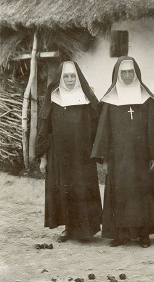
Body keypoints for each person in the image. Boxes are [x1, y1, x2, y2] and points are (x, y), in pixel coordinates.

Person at [91, 57, 154, 248]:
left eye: (130, 72)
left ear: (136, 73)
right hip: (119, 158)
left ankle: (143, 234)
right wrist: (104, 157)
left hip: (141, 158)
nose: (126, 75)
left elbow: (152, 128)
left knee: (142, 194)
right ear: (117, 74)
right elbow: (104, 130)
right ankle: (121, 234)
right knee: (120, 193)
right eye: (123, 72)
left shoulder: (146, 99)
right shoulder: (110, 100)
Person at [35, 61, 102, 243]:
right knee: (65, 190)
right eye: (66, 76)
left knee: (82, 189)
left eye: (73, 76)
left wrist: (98, 150)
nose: (70, 79)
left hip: (83, 156)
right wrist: (42, 157)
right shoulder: (54, 98)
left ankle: (86, 230)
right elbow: (45, 129)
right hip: (61, 155)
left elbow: (98, 125)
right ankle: (68, 228)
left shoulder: (87, 100)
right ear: (61, 78)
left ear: (78, 77)